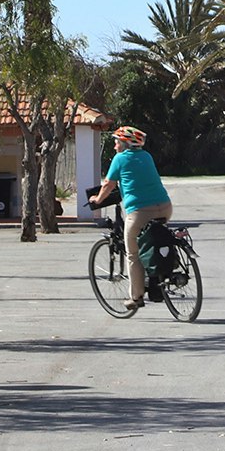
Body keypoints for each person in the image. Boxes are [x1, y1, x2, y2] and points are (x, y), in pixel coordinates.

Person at [87, 125, 172, 313]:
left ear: (125, 144)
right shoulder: (147, 156)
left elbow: (109, 184)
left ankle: (136, 297)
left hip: (140, 212)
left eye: (117, 142)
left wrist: (98, 199)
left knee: (133, 253)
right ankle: (163, 273)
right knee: (156, 238)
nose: (115, 146)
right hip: (165, 207)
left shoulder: (120, 159)